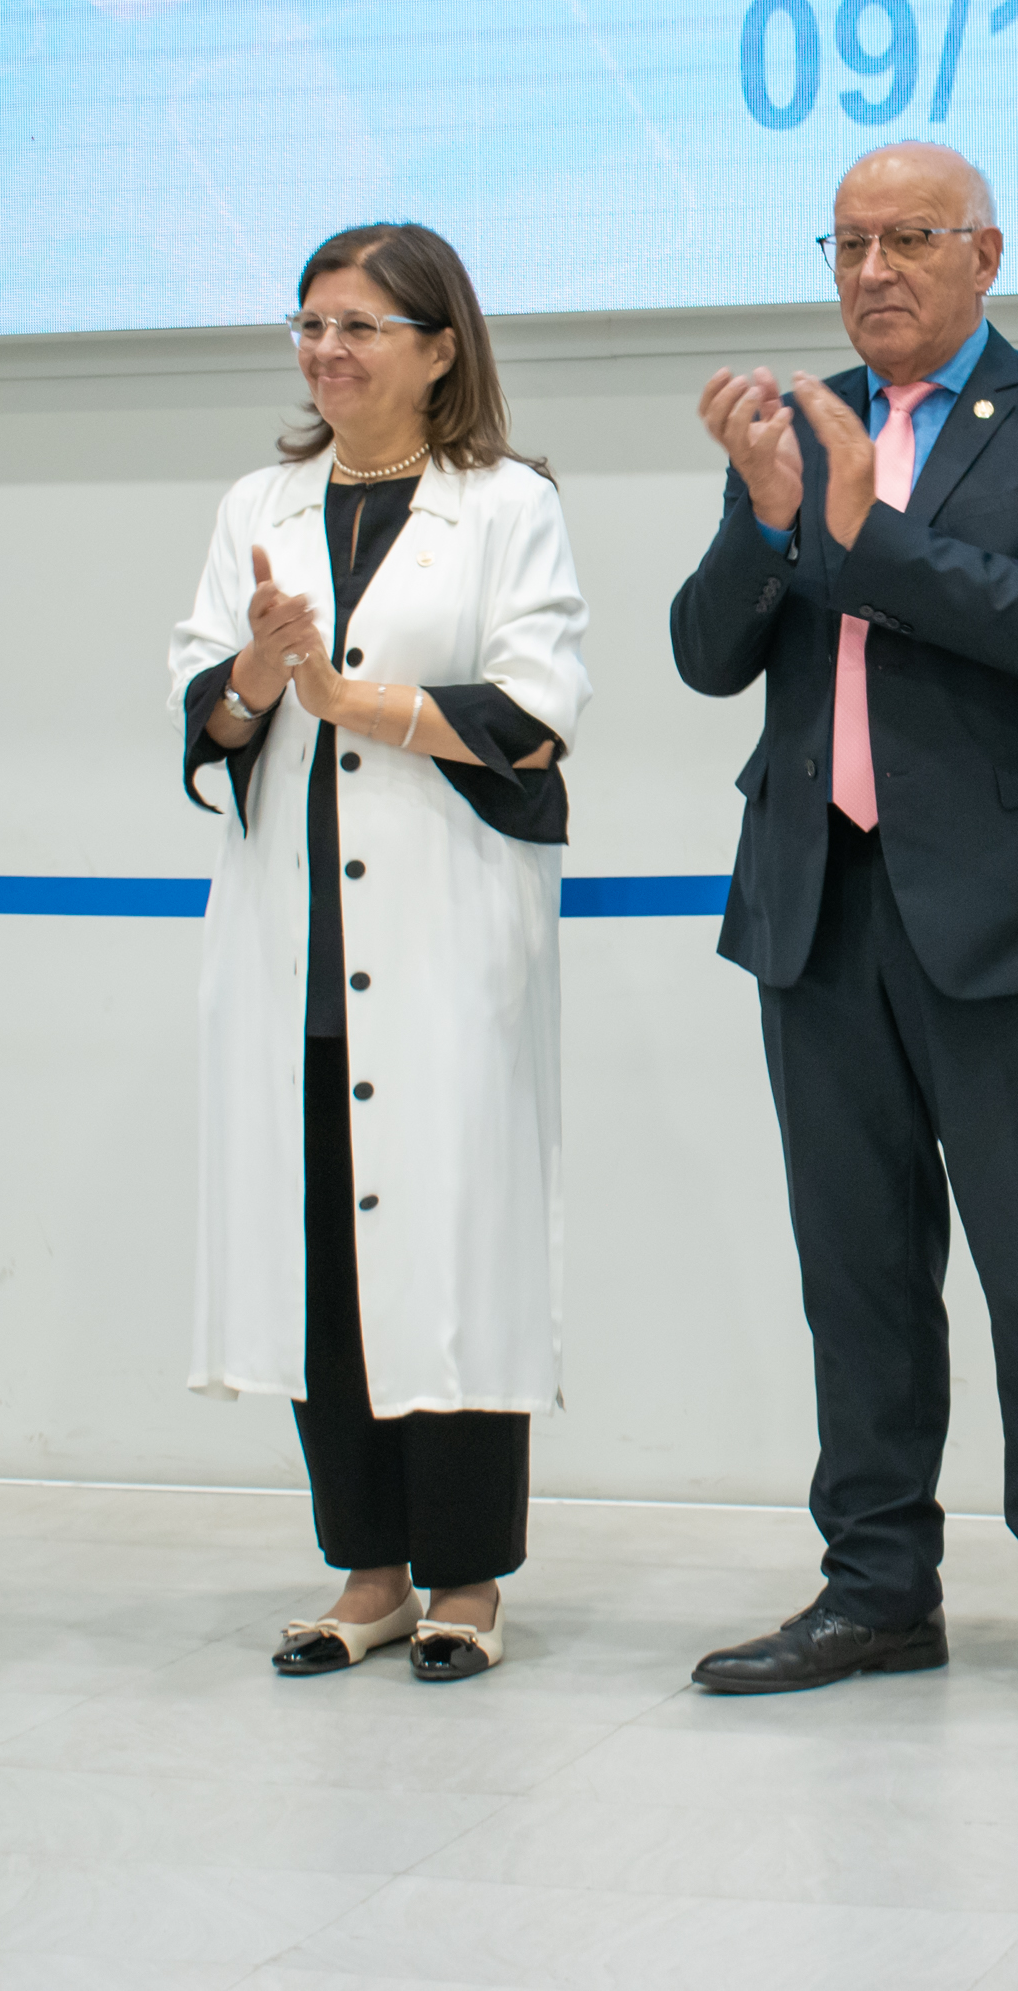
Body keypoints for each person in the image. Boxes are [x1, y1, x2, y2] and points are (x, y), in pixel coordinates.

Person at [669, 142, 1018, 1732]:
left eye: (908, 239)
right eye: (847, 244)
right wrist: (766, 523)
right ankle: (875, 1590)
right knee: (858, 1278)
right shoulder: (798, 425)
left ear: (985, 254)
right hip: (819, 907)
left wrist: (859, 526)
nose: (872, 269)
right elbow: (702, 656)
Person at [170, 222, 588, 1685]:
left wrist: (358, 700)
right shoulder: (259, 504)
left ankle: (466, 1580)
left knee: (452, 1239)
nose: (327, 351)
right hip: (294, 937)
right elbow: (204, 710)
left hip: (446, 932)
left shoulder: (506, 503)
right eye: (309, 325)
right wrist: (256, 681)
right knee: (324, 1255)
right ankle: (364, 1570)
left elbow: (534, 703)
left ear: (436, 346)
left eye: (358, 325)